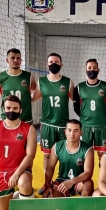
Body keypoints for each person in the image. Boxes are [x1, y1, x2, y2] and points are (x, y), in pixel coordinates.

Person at [0, 95, 37, 210]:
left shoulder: (28, 129)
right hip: (1, 172)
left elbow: (30, 155)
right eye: (8, 108)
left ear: (20, 110)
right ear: (4, 109)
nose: (11, 111)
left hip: (20, 170)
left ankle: (27, 201)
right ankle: (18, 193)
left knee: (25, 183)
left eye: (15, 108)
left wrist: (16, 174)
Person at [32, 53, 74, 194]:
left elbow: (77, 100)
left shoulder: (68, 82)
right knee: (47, 155)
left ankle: (61, 182)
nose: (53, 64)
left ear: (61, 65)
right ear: (47, 64)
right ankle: (47, 182)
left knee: (65, 155)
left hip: (63, 126)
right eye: (51, 61)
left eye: (56, 62)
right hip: (47, 125)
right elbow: (32, 98)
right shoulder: (41, 82)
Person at [73, 58, 106, 160]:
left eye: (94, 68)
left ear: (98, 70)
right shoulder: (79, 87)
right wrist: (85, 117)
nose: (92, 70)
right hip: (85, 126)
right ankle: (86, 176)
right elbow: (76, 107)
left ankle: (103, 176)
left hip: (101, 126)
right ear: (85, 70)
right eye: (89, 68)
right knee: (85, 155)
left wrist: (102, 116)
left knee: (103, 155)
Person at [43, 119, 94, 198]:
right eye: (69, 130)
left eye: (76, 131)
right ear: (65, 131)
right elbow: (50, 167)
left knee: (88, 184)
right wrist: (47, 184)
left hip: (79, 181)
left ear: (81, 132)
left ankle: (83, 209)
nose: (72, 134)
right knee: (50, 196)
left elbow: (88, 172)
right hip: (62, 181)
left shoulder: (88, 149)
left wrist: (72, 182)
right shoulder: (57, 147)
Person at [0, 48, 36, 124]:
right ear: (7, 60)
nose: (16, 60)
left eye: (18, 58)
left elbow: (35, 91)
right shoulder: (0, 77)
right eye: (12, 58)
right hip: (6, 119)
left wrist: (28, 100)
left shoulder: (29, 76)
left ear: (21, 60)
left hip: (25, 119)